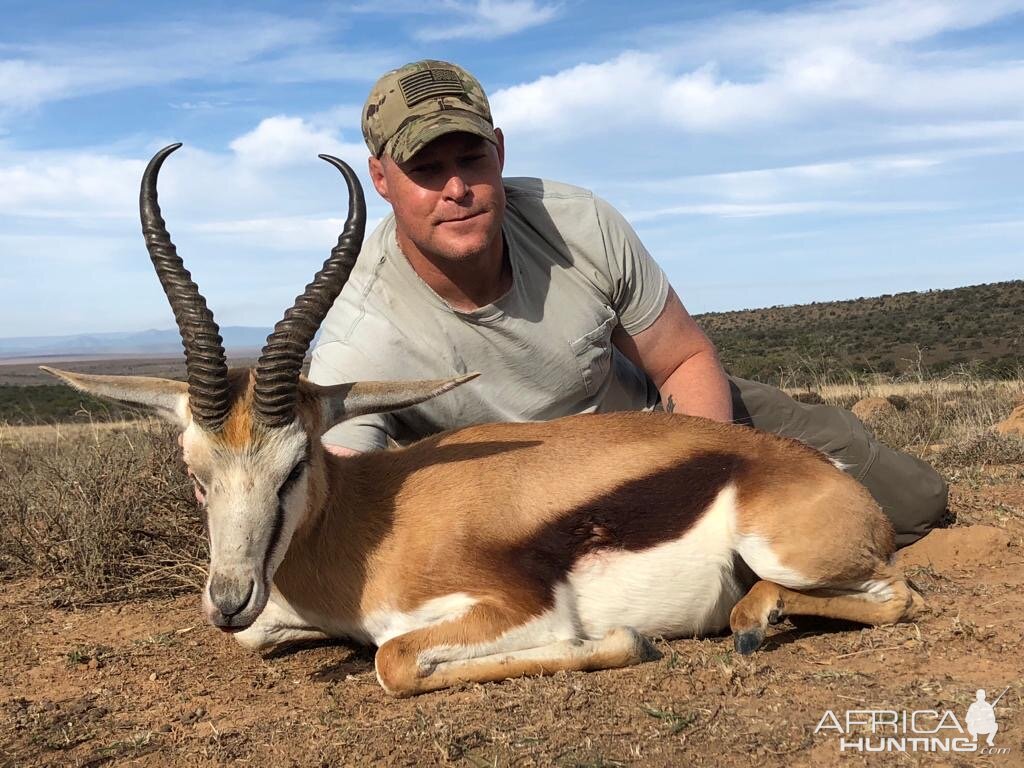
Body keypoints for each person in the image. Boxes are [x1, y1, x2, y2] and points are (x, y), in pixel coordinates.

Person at [308, 59, 947, 547]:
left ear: (499, 152)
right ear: (383, 179)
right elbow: (342, 471)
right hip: (534, 507)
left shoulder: (579, 223)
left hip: (670, 428)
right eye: (425, 169)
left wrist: (705, 484)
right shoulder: (360, 328)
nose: (456, 189)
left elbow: (682, 359)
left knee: (915, 502)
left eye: (471, 159)